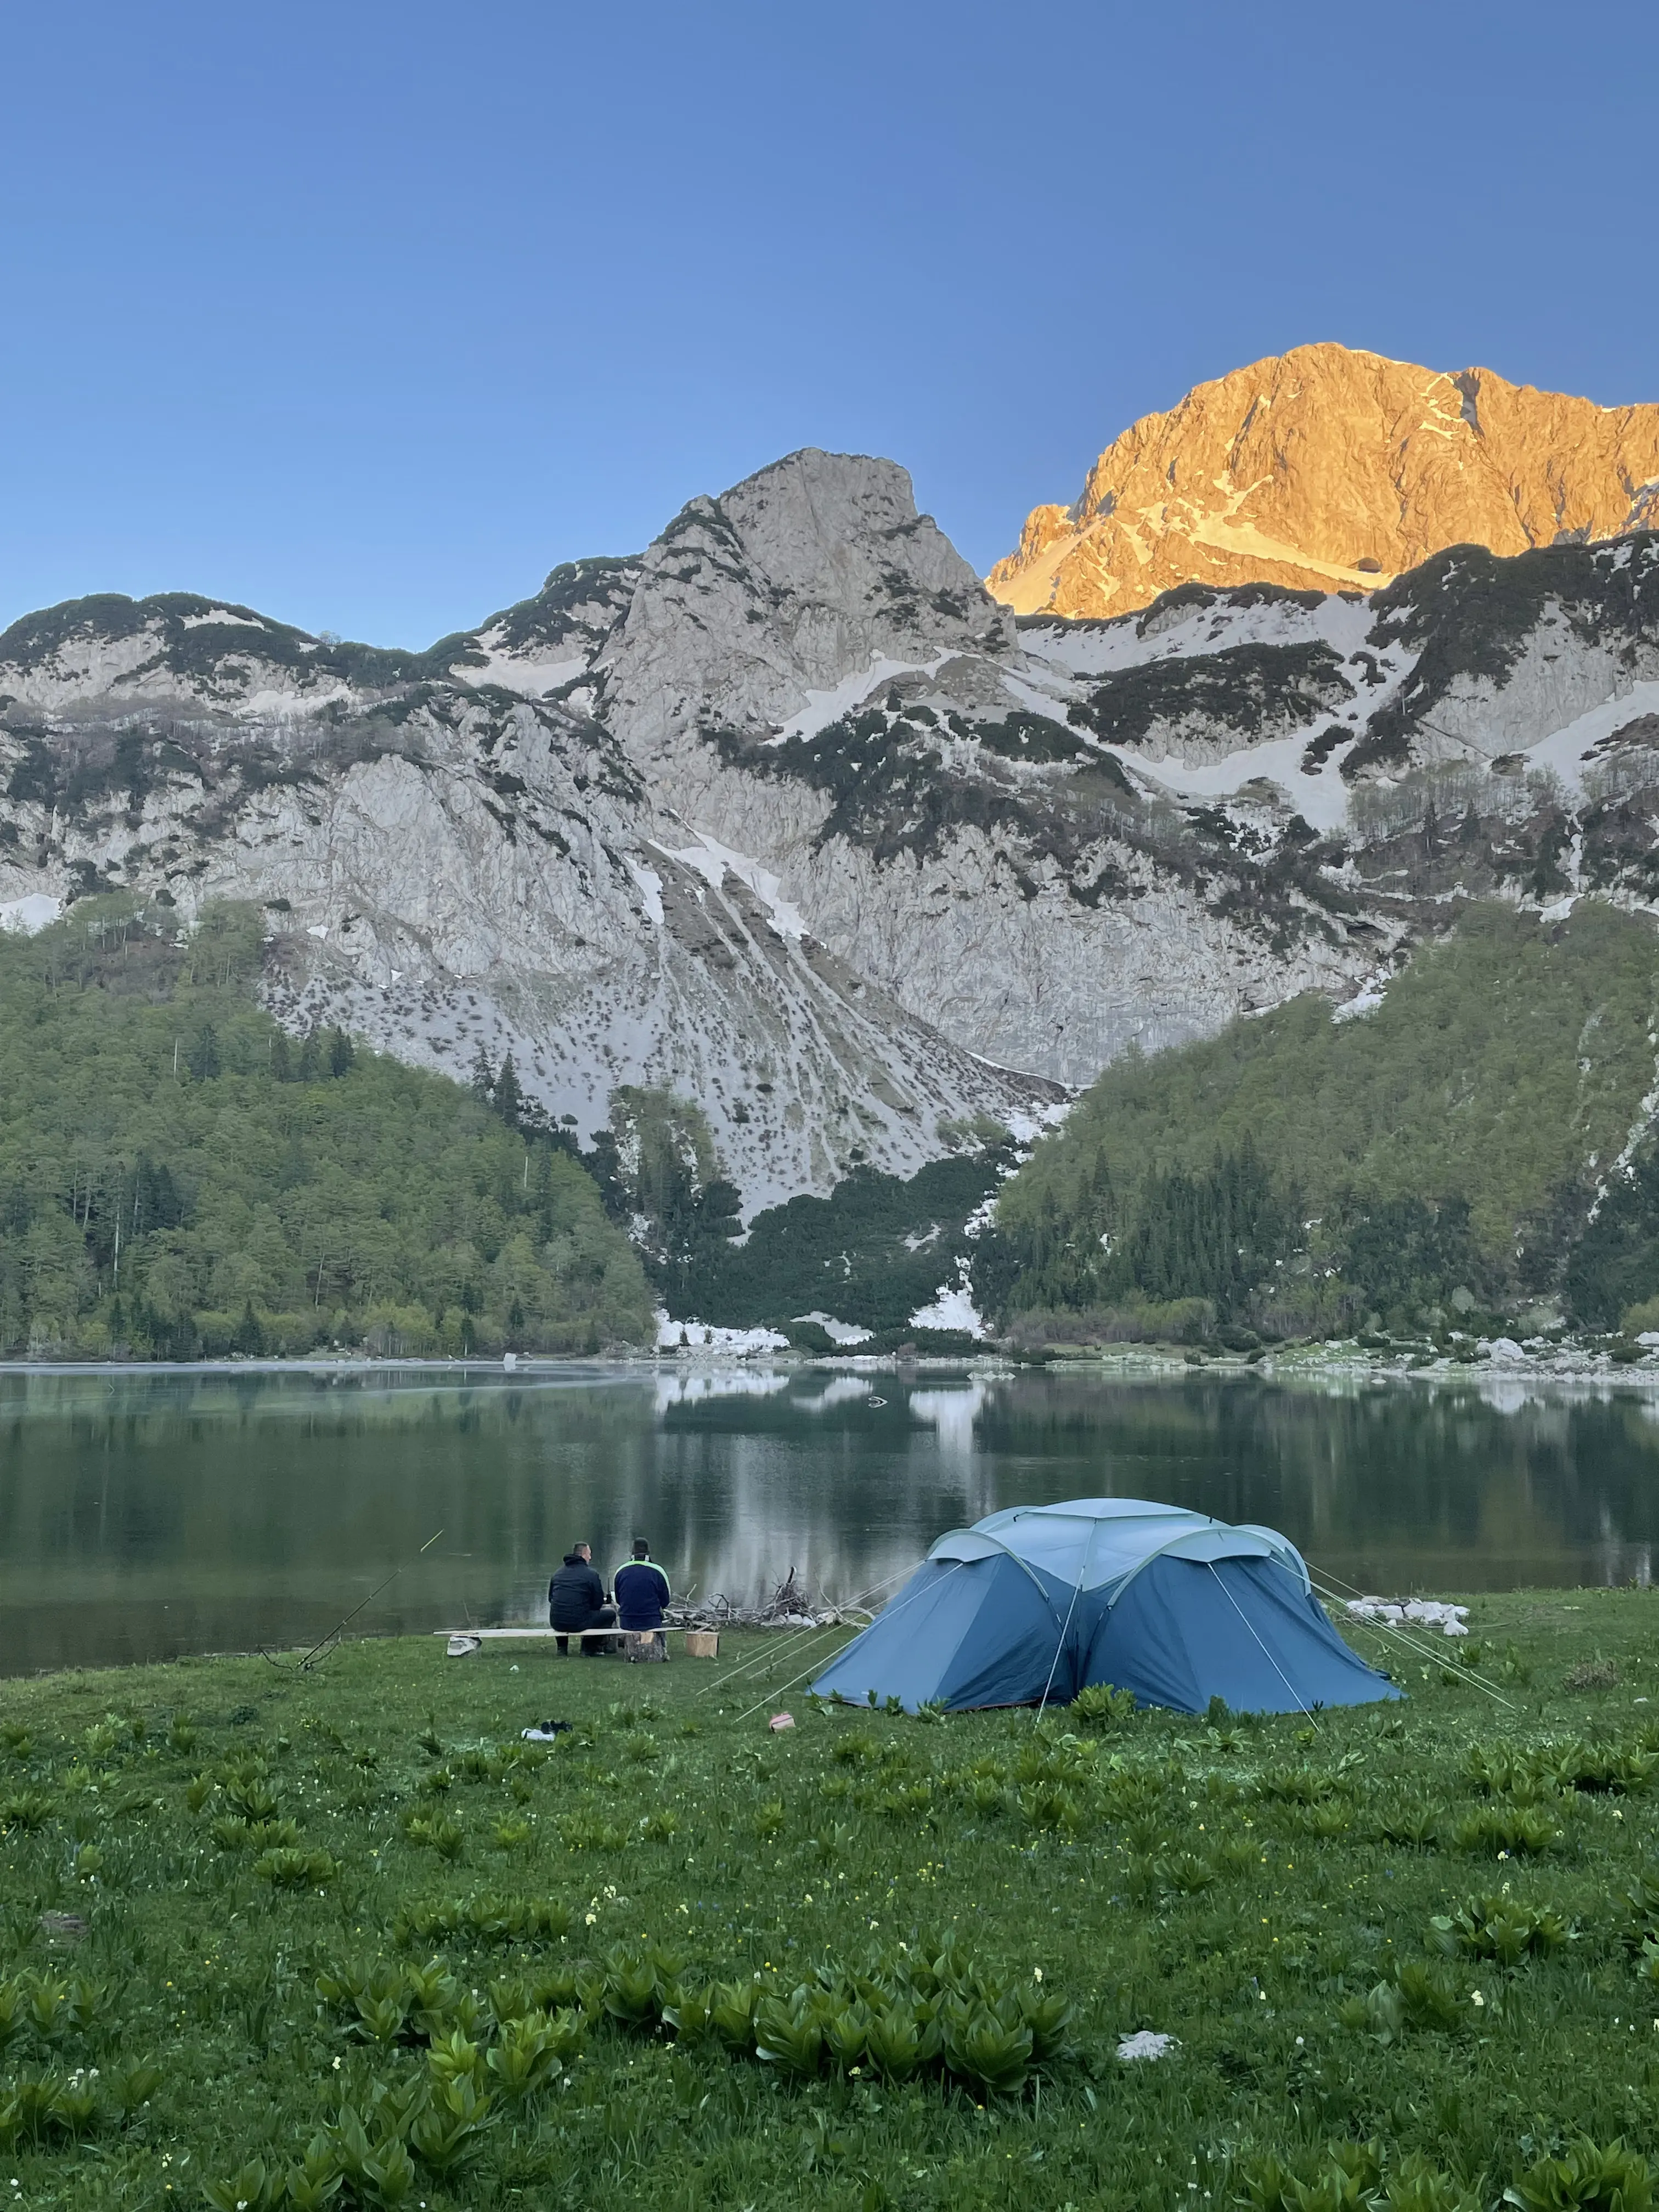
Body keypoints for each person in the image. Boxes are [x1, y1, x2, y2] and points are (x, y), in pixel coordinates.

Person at [547, 1543, 616, 1656]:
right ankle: (588, 1648)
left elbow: (551, 1599)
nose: (590, 1558)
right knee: (610, 1614)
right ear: (584, 1555)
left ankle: (562, 1649)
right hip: (578, 1622)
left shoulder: (557, 1574)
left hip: (556, 1622)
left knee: (562, 1611)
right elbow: (598, 1603)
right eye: (589, 1554)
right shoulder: (591, 1575)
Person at [613, 1537, 671, 1660]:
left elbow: (619, 1600)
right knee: (661, 1615)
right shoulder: (658, 1571)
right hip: (651, 1621)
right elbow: (665, 1601)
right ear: (648, 1552)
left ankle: (627, 1645)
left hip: (627, 1621)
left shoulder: (620, 1571)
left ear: (632, 1552)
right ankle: (663, 1649)